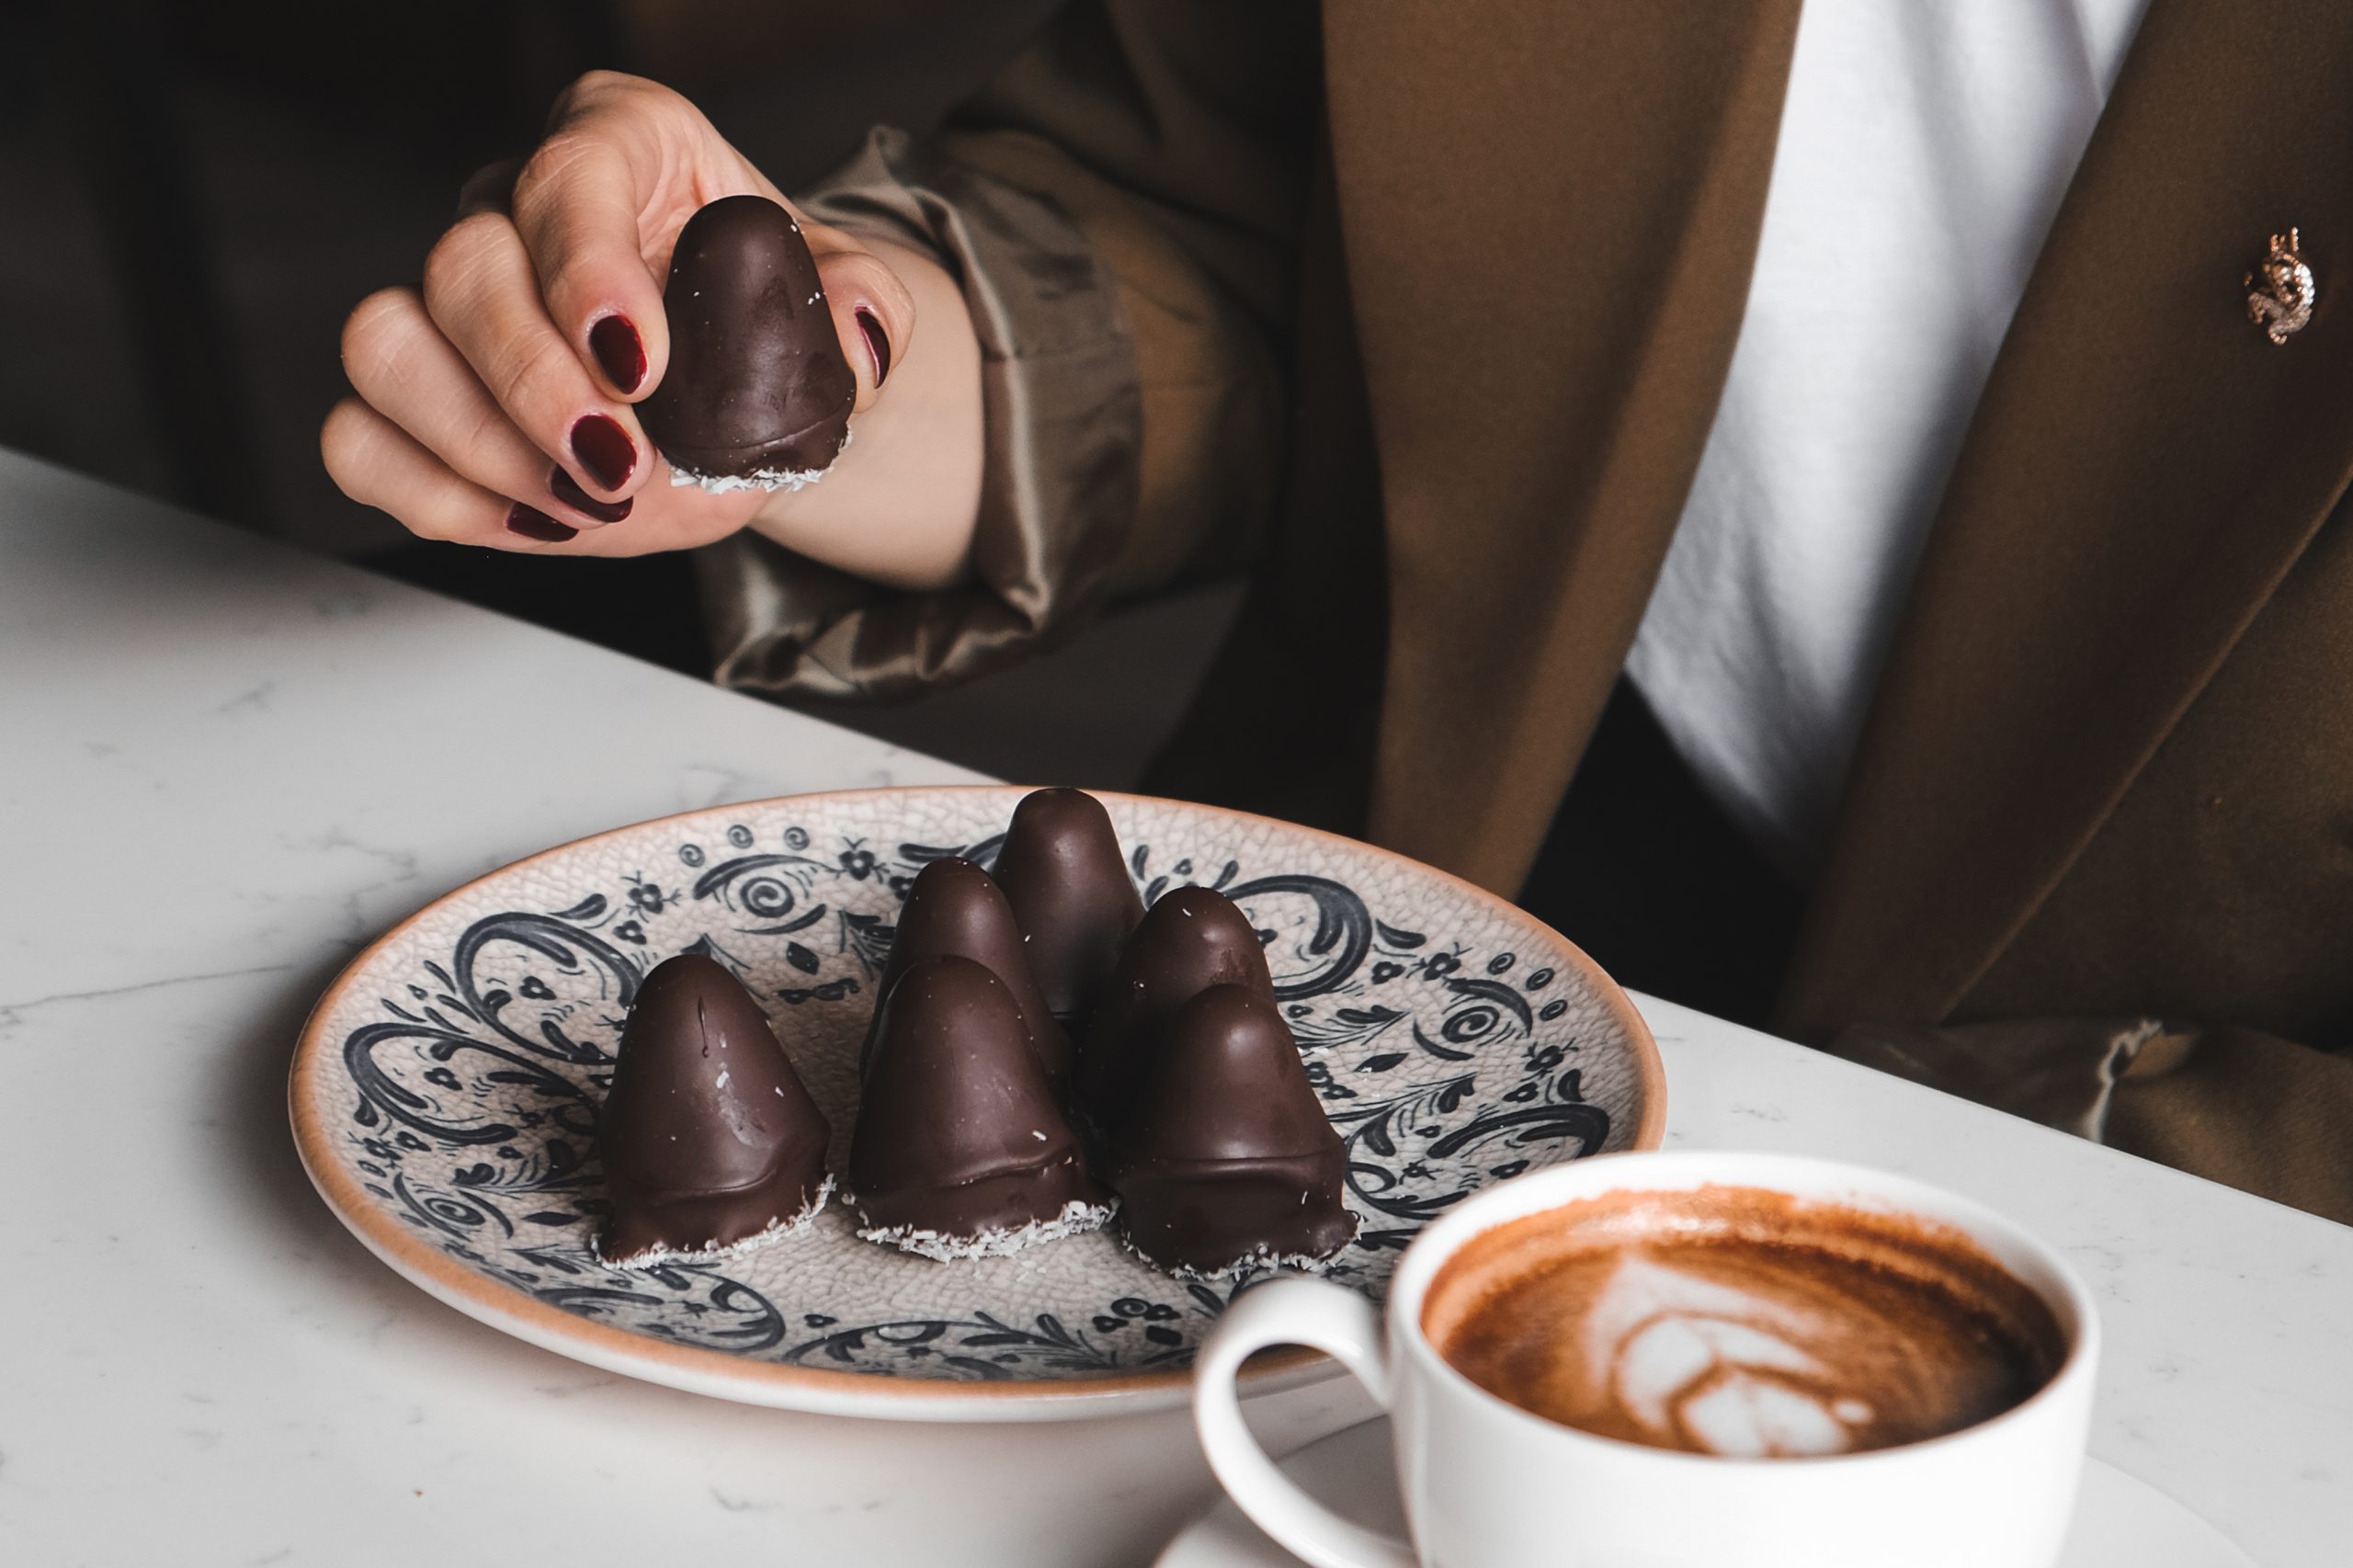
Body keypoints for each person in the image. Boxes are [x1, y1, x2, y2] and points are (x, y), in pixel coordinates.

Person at [324, 0, 2353, 1223]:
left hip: (2138, 1227)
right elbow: (1244, 216)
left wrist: (1760, 1172)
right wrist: (805, 378)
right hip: (1356, 992)